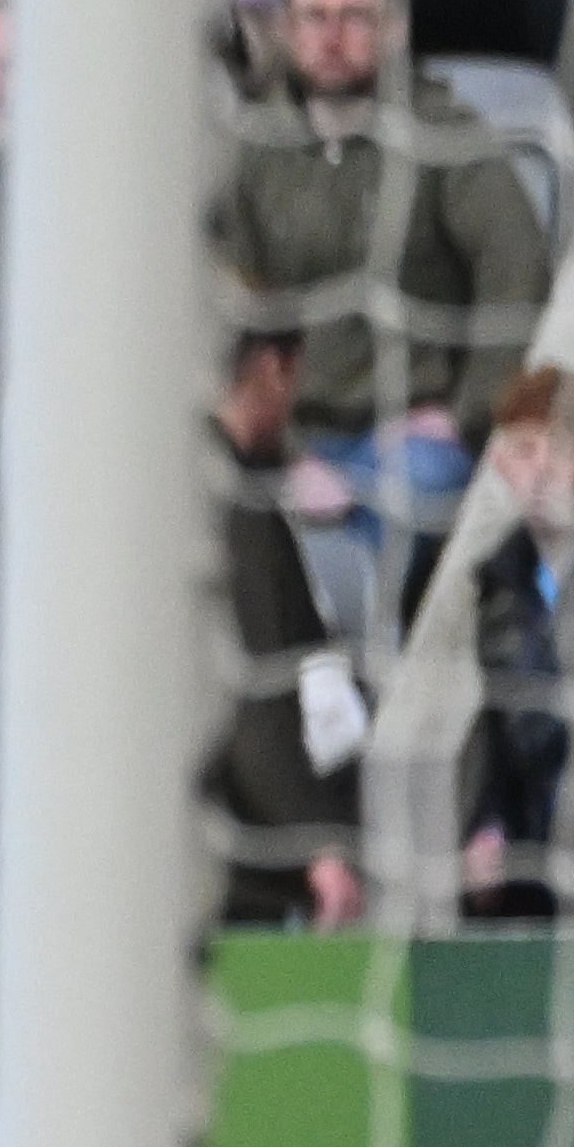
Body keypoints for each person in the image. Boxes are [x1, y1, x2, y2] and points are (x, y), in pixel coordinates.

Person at [218, 0, 545, 539]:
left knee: (409, 496)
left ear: (395, 29)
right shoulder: (256, 142)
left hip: (411, 435)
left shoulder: (442, 130)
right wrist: (286, 450)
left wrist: (469, 414)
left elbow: (515, 263)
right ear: (287, 29)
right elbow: (230, 295)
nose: (332, 35)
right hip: (291, 438)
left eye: (355, 17)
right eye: (314, 17)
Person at [457, 365, 574, 924]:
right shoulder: (498, 587)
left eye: (554, 451)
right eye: (523, 450)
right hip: (536, 874)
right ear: (499, 465)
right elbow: (500, 738)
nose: (537, 471)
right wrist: (488, 829)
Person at [215, 315, 363, 931]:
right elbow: (254, 690)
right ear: (273, 367)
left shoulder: (170, 482)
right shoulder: (231, 502)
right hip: (239, 874)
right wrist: (317, 848)